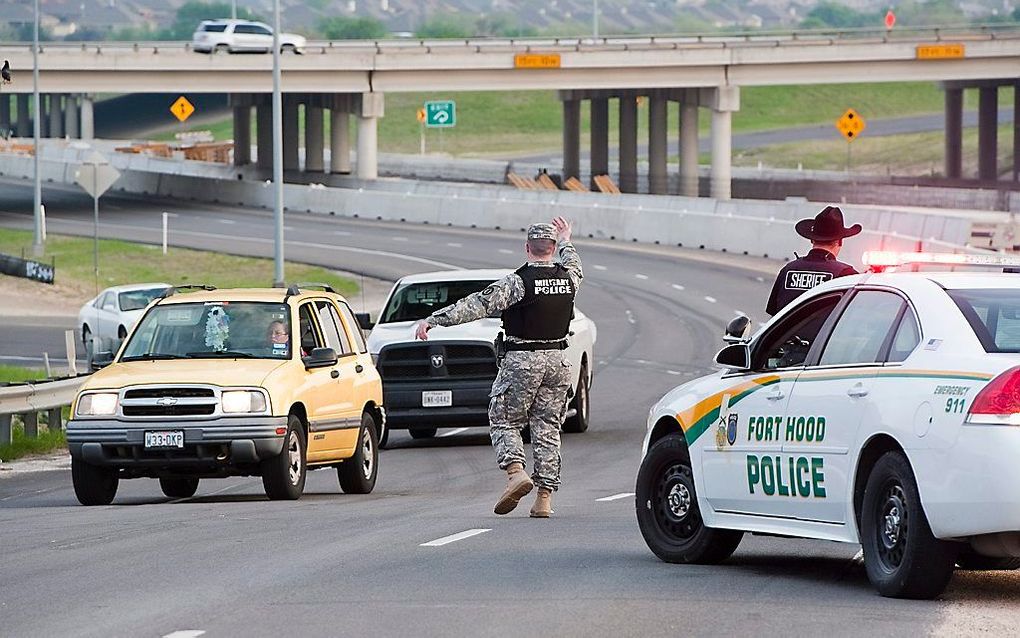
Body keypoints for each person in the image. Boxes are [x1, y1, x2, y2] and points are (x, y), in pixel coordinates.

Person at [415, 217, 582, 518]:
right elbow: (574, 262)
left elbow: (477, 305)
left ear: (528, 248)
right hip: (558, 360)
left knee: (503, 417)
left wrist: (434, 319)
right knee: (547, 428)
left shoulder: (518, 282)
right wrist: (567, 239)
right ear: (553, 248)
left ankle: (516, 472)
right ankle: (544, 499)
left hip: (522, 360)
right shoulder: (569, 278)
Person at [766, 205, 861, 316]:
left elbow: (773, 316)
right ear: (839, 242)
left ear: (812, 239)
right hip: (825, 333)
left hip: (786, 333)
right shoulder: (846, 274)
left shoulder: (788, 270)